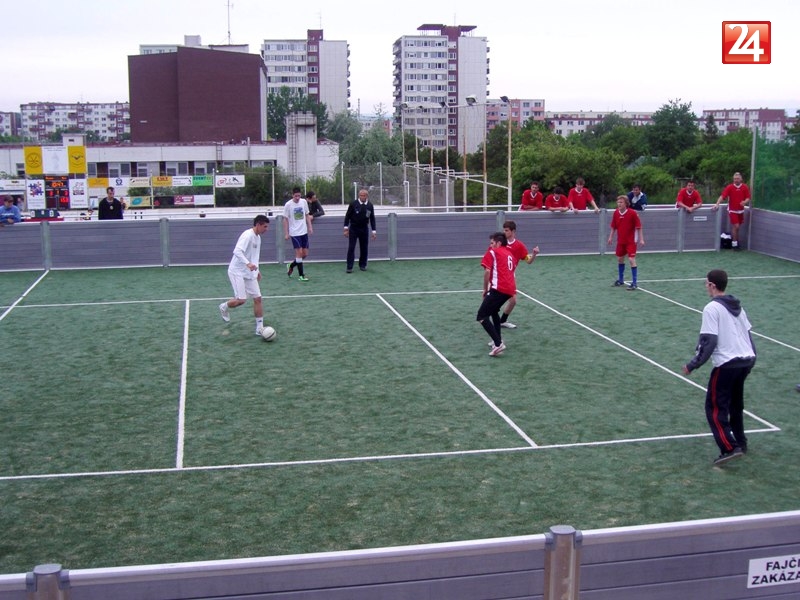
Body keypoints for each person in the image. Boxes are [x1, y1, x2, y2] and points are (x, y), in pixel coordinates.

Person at [682, 269, 756, 466]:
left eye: (706, 283)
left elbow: (709, 341)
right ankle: (741, 442)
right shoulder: (738, 307)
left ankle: (729, 447)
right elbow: (748, 337)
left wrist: (692, 364)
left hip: (726, 364)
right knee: (735, 405)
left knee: (714, 408)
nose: (705, 286)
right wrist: (751, 361)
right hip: (745, 360)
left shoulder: (711, 308)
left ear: (712, 285)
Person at [219, 214, 270, 335]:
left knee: (258, 298)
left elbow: (254, 256)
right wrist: (248, 264)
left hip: (249, 273)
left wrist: (257, 271)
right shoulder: (247, 235)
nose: (266, 229)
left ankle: (259, 328)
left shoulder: (258, 238)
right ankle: (224, 306)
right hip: (236, 271)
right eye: (265, 226)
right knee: (241, 300)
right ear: (258, 225)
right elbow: (237, 251)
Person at [477, 232, 516, 357]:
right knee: (493, 311)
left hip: (499, 288)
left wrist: (485, 289)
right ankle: (497, 340)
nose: (491, 245)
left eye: (492, 243)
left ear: (498, 243)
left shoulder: (493, 252)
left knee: (482, 316)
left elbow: (487, 272)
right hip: (510, 289)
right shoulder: (509, 254)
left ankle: (498, 344)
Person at [498, 220, 539, 328]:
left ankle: (502, 321)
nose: (504, 232)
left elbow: (528, 261)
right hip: (498, 274)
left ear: (513, 231)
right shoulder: (500, 243)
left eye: (507, 230)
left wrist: (534, 254)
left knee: (513, 301)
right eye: (504, 230)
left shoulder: (519, 246)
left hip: (510, 276)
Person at [608, 195, 645, 290]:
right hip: (621, 241)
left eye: (621, 202)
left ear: (626, 204)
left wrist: (641, 239)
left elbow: (639, 227)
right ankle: (621, 280)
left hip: (631, 241)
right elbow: (613, 226)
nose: (619, 204)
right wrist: (610, 237)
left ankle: (634, 283)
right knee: (620, 259)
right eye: (618, 202)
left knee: (631, 260)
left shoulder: (632, 213)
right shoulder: (616, 213)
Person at [712, 172, 751, 251]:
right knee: (736, 226)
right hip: (732, 210)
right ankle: (734, 244)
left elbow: (748, 197)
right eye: (734, 179)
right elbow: (722, 196)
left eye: (737, 179)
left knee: (737, 227)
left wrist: (744, 202)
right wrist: (717, 204)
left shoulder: (744, 187)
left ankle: (735, 243)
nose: (736, 180)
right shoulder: (730, 187)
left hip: (741, 210)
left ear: (741, 179)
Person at [283, 187, 313, 281]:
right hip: (294, 233)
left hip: (304, 231)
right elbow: (285, 219)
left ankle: (291, 265)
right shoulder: (288, 205)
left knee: (305, 254)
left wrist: (310, 227)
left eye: (299, 196)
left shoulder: (303, 202)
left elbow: (307, 215)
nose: (297, 198)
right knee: (299, 253)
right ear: (292, 195)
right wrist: (286, 233)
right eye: (295, 196)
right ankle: (301, 275)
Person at [343, 188, 377, 273]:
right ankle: (349, 267)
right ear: (359, 196)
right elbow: (347, 216)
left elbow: (372, 218)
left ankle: (362, 265)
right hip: (354, 228)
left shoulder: (370, 205)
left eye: (364, 195)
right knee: (351, 247)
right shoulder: (353, 204)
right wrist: (346, 228)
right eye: (361, 195)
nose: (362, 197)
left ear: (367, 196)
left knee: (364, 247)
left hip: (364, 228)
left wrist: (374, 231)